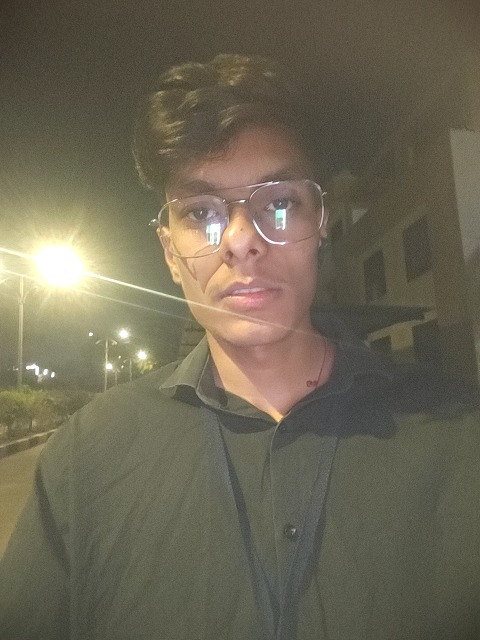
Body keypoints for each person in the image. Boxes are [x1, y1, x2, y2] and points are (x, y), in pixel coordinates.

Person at [1, 53, 479, 640]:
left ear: (321, 221)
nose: (241, 240)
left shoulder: (460, 439)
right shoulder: (89, 456)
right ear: (169, 252)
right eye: (200, 213)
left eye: (278, 203)